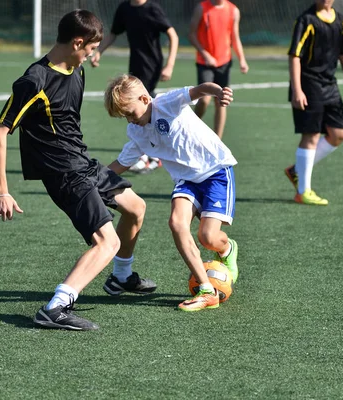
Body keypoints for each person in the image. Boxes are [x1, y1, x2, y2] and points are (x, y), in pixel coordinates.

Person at [0, 10, 157, 331]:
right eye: (91, 47)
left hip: (83, 162)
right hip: (64, 173)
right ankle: (56, 307)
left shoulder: (77, 70)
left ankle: (120, 278)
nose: (93, 54)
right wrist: (2, 191)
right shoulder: (34, 81)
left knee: (135, 207)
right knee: (107, 242)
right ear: (78, 42)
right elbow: (0, 131)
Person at [104, 74, 239, 312]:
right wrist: (93, 180)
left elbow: (199, 90)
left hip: (216, 171)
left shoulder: (167, 103)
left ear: (145, 99)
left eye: (130, 113)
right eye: (123, 117)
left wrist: (217, 91)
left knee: (208, 238)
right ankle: (207, 291)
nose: (129, 120)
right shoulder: (137, 133)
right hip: (186, 181)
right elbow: (121, 163)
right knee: (177, 223)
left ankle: (227, 249)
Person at [284, 0, 343, 205]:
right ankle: (303, 191)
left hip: (330, 85)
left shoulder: (341, 22)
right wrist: (297, 89)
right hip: (308, 85)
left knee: (339, 134)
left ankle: (296, 171)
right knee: (311, 135)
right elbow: (294, 56)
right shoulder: (306, 20)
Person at [91, 0, 179, 173]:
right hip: (136, 66)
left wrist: (170, 65)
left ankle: (148, 156)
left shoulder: (152, 8)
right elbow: (113, 33)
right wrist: (98, 52)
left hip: (152, 66)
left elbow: (173, 35)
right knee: (142, 112)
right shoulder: (125, 8)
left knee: (144, 110)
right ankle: (151, 156)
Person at [188, 0, 249, 140]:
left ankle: (217, 140)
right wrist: (205, 54)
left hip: (224, 63)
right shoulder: (202, 8)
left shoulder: (233, 10)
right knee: (203, 99)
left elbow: (235, 37)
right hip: (205, 62)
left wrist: (242, 59)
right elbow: (191, 35)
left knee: (221, 100)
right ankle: (190, 126)